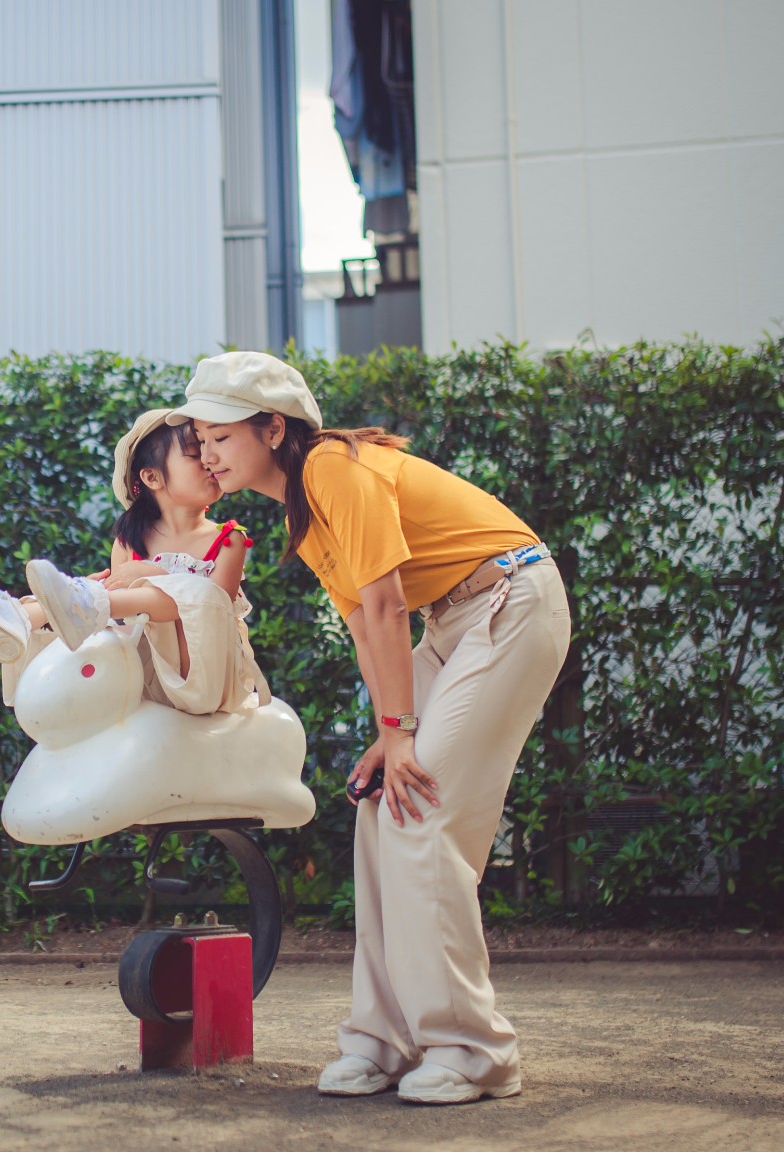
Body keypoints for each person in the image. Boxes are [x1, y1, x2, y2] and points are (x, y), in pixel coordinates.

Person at [169, 350, 570, 1106]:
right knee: (382, 806)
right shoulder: (302, 507)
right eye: (198, 438)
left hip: (510, 602)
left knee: (423, 810)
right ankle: (383, 1041)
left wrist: (405, 731)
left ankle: (474, 1051)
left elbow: (387, 606)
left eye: (219, 436)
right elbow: (362, 623)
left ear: (273, 429)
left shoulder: (331, 470)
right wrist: (393, 736)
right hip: (459, 619)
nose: (205, 453)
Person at [0, 408, 266, 717]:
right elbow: (126, 628)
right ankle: (22, 618)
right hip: (147, 677)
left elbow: (213, 612)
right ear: (152, 477)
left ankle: (75, 602)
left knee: (191, 594)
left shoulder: (229, 539)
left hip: (204, 679)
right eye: (197, 455)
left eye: (212, 449)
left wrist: (149, 575)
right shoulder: (128, 542)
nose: (211, 461)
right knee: (101, 603)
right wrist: (106, 589)